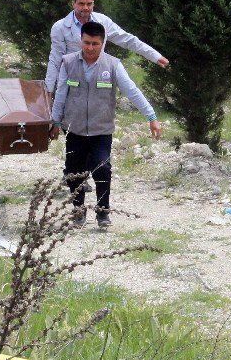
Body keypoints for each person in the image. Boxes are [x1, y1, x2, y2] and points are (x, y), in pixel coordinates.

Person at [50, 21, 162, 228]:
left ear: (103, 43)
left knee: (102, 169)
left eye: (95, 44)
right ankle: (78, 210)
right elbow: (61, 94)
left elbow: (132, 91)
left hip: (101, 130)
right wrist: (55, 121)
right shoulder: (68, 63)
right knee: (74, 172)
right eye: (86, 43)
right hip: (74, 130)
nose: (90, 48)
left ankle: (103, 212)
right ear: (80, 41)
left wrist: (152, 117)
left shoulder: (113, 65)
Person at [45, 0, 169, 94]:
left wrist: (155, 56)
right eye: (81, 4)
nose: (86, 8)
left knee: (126, 91)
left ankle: (152, 117)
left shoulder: (103, 21)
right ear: (73, 3)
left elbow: (127, 39)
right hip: (73, 81)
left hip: (98, 77)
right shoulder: (60, 27)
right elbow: (55, 59)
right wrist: (49, 90)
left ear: (93, 3)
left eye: (89, 4)